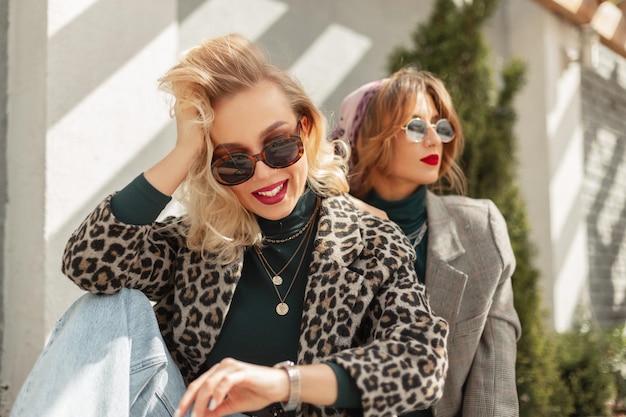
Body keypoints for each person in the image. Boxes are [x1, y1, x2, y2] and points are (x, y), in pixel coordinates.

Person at [9, 35, 450, 417]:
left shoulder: (371, 242)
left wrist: (284, 383)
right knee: (107, 306)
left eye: (278, 146)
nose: (262, 173)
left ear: (307, 130)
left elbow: (422, 363)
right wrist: (185, 152)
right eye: (233, 161)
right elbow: (88, 263)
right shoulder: (197, 243)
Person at [331, 67, 521, 417]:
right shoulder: (325, 229)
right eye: (416, 126)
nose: (435, 139)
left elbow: (494, 386)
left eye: (441, 126)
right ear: (369, 136)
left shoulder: (479, 229)